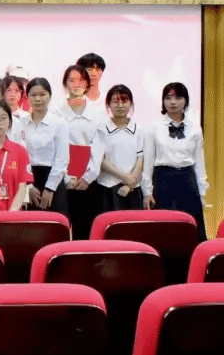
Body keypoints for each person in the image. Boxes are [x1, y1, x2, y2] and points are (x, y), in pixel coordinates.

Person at [143, 82, 208, 240]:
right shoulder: (153, 127)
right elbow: (148, 161)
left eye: (178, 98)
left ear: (185, 101)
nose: (173, 102)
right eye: (168, 98)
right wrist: (147, 191)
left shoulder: (195, 128)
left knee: (192, 227)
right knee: (165, 228)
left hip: (188, 179)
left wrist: (202, 192)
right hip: (163, 180)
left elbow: (199, 162)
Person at [53, 65, 106, 239]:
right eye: (72, 80)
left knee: (85, 227)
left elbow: (99, 146)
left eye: (81, 80)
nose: (76, 85)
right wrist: (65, 177)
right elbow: (55, 148)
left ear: (88, 84)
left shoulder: (97, 114)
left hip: (89, 179)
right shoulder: (56, 113)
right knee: (62, 227)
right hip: (62, 177)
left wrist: (89, 176)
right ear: (65, 84)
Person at [15, 77, 70, 216]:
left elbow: (62, 158)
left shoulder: (59, 123)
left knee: (55, 222)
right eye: (33, 95)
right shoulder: (20, 123)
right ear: (27, 97)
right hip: (27, 179)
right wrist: (28, 186)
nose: (38, 99)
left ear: (49, 96)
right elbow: (17, 156)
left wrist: (50, 188)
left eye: (42, 94)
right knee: (29, 222)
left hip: (52, 179)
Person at [98, 84, 144, 213]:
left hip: (133, 189)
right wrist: (125, 177)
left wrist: (130, 184)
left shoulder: (139, 129)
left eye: (124, 101)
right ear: (108, 104)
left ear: (131, 104)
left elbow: (140, 158)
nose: (120, 105)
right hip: (107, 187)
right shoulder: (101, 129)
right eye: (115, 101)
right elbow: (100, 160)